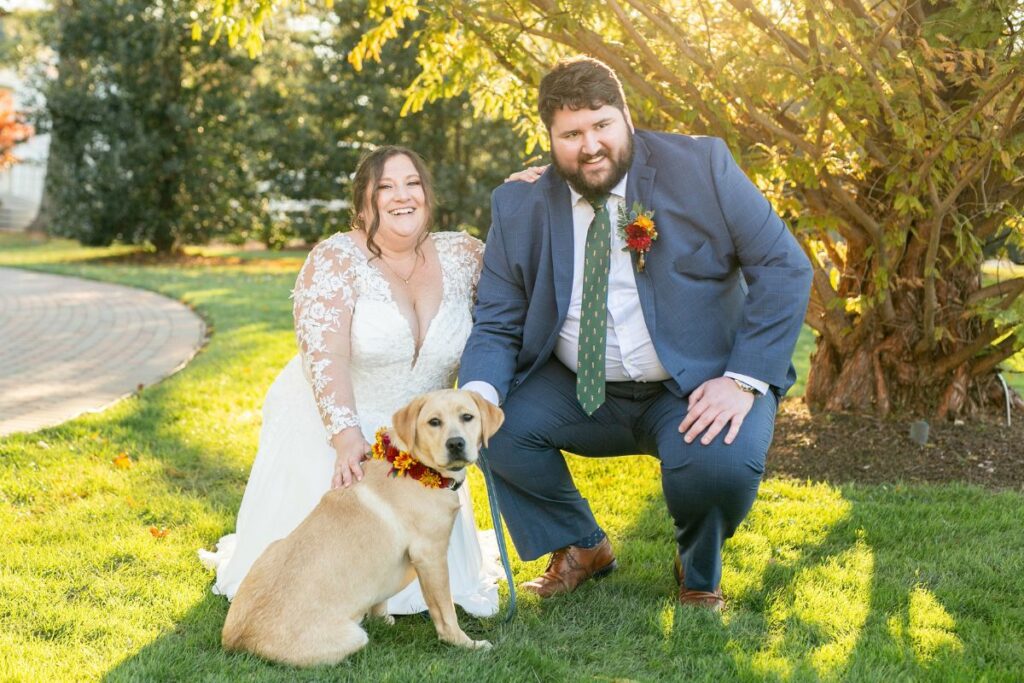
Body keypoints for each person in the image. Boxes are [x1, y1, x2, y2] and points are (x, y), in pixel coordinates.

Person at [459, 57, 813, 610]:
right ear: (550, 140)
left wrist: (742, 380)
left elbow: (784, 267)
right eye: (571, 134)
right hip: (580, 390)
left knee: (717, 465)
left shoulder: (702, 166)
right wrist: (476, 398)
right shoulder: (520, 203)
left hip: (693, 383)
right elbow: (499, 318)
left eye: (601, 125)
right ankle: (581, 544)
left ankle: (698, 570)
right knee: (490, 426)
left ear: (626, 116)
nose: (590, 145)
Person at [200, 146, 502, 617]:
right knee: (318, 582)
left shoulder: (465, 255)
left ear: (428, 194)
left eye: (412, 183)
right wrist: (345, 437)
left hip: (430, 436)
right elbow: (326, 357)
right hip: (343, 422)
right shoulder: (335, 259)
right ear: (363, 204)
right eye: (385, 186)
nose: (402, 196)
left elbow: (509, 313)